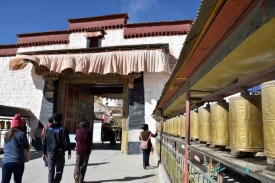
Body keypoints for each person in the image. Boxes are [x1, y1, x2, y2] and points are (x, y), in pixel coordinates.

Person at [42, 112, 71, 183]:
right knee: (59, 170)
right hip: (60, 152)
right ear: (61, 119)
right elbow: (66, 141)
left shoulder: (48, 129)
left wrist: (44, 152)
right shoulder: (63, 128)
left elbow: (44, 141)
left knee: (51, 171)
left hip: (50, 152)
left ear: (53, 119)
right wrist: (69, 151)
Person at [2, 114, 30, 183]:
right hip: (18, 161)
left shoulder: (6, 134)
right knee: (17, 181)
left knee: (4, 181)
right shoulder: (22, 134)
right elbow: (26, 146)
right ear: (21, 125)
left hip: (6, 161)